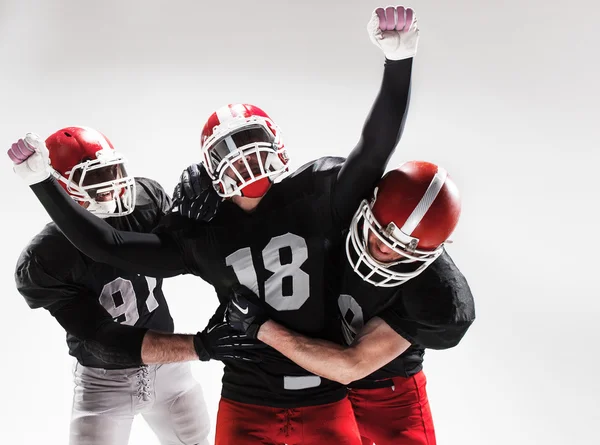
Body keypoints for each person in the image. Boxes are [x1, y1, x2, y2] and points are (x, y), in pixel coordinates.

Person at [8, 6, 419, 444]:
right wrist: (42, 183)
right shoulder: (206, 231)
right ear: (208, 170)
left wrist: (399, 62)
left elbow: (375, 149)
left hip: (323, 388)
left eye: (252, 142)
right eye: (232, 149)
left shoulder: (310, 195)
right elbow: (108, 246)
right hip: (245, 392)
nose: (246, 158)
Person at [225, 161, 476, 445]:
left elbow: (351, 365)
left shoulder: (434, 292)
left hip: (388, 395)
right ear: (368, 203)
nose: (384, 249)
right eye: (379, 231)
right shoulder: (335, 212)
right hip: (323, 391)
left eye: (402, 249)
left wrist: (260, 327)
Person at [12, 126, 214, 445]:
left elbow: (185, 259)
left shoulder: (145, 203)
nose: (110, 185)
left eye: (110, 171)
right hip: (103, 381)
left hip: (170, 372)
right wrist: (202, 345)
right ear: (61, 186)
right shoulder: (47, 257)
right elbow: (105, 342)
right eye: (93, 177)